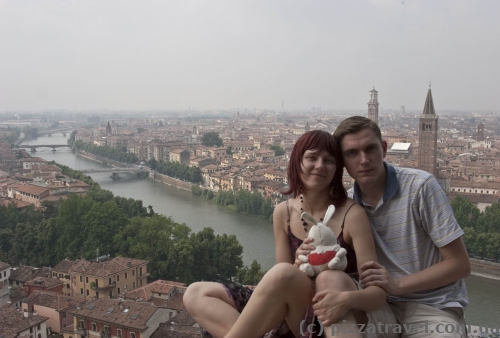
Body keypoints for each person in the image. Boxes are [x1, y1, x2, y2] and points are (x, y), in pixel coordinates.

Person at [183, 130, 390, 338]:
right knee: (195, 293)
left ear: (337, 169)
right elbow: (283, 279)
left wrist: (346, 299)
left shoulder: (351, 214)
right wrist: (298, 266)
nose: (320, 165)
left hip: (334, 314)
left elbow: (377, 295)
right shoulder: (284, 212)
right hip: (294, 307)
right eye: (312, 157)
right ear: (296, 162)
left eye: (329, 160)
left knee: (284, 273)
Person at [333, 116, 470, 338]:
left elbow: (460, 265)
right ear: (342, 162)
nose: (364, 159)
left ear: (384, 149)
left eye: (370, 149)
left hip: (433, 309)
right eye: (352, 153)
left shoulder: (421, 187)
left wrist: (397, 285)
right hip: (379, 307)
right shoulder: (347, 206)